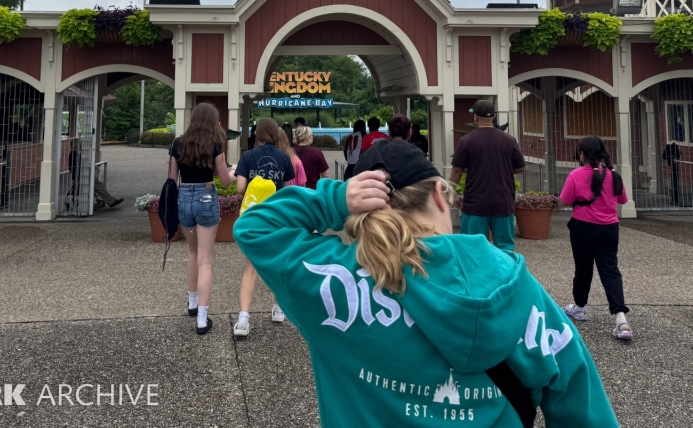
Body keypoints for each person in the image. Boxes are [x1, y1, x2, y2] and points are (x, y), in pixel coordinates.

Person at [235, 140, 620, 428]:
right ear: (440, 194)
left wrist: (337, 197)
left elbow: (253, 226)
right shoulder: (513, 283)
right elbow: (582, 403)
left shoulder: (332, 279)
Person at [168, 102, 234, 335]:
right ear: (211, 121)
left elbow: (171, 178)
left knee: (193, 253)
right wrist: (233, 172)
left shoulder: (177, 143)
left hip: (184, 196)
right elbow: (225, 181)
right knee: (206, 259)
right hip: (206, 196)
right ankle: (202, 320)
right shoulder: (215, 145)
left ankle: (192, 303)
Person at [560, 135, 633, 341]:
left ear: (582, 154)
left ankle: (580, 307)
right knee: (610, 270)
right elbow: (622, 199)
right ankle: (621, 318)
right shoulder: (614, 176)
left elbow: (565, 199)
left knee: (583, 268)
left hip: (582, 227)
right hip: (609, 228)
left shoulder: (576, 175)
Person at [233, 117, 295, 338]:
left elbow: (240, 188)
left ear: (257, 134)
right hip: (276, 217)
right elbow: (288, 190)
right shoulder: (284, 157)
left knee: (250, 268)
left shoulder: (248, 156)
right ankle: (278, 309)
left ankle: (243, 320)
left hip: (253, 218)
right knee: (278, 265)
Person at [451, 100, 525, 254]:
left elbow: (457, 170)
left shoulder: (467, 140)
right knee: (505, 247)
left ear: (475, 117)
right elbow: (520, 167)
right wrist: (501, 169)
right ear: (495, 116)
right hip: (503, 201)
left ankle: (476, 277)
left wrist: (449, 190)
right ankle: (505, 276)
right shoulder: (509, 140)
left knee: (473, 247)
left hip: (475, 202)